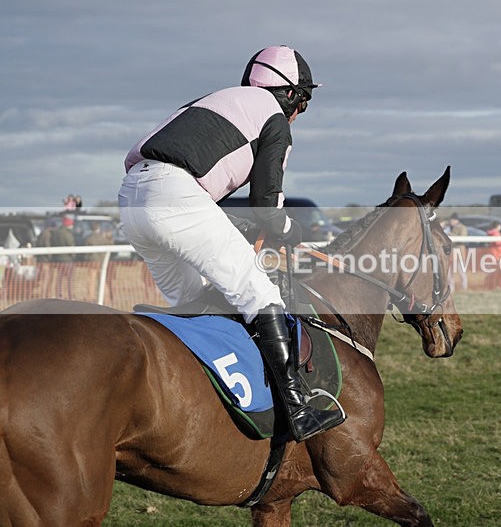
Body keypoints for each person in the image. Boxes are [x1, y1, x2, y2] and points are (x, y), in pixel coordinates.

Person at [118, 45, 344, 442]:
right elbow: (266, 206)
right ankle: (297, 410)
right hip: (176, 195)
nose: (298, 113)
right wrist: (290, 230)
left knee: (196, 303)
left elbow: (165, 172)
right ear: (290, 94)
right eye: (303, 103)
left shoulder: (214, 101)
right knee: (261, 294)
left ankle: (197, 403)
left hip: (132, 197)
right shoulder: (274, 118)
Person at [444, 213, 468, 291]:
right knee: (450, 272)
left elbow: (462, 238)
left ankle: (464, 288)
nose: (450, 221)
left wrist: (449, 234)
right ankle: (451, 288)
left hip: (459, 253)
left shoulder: (462, 228)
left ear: (456, 220)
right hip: (450, 253)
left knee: (461, 272)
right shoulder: (448, 227)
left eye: (451, 220)